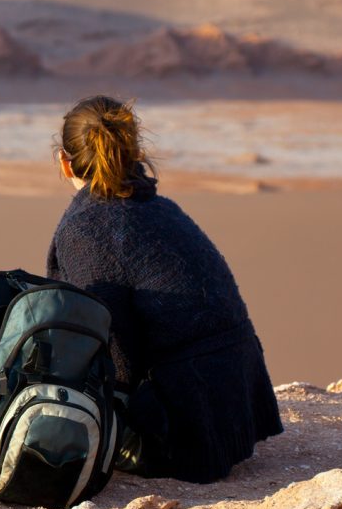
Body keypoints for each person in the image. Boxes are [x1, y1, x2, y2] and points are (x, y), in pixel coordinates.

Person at [45, 94, 283, 483]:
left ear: (64, 161)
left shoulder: (84, 229)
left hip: (189, 435)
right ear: (133, 151)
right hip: (240, 412)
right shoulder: (163, 208)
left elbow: (112, 356)